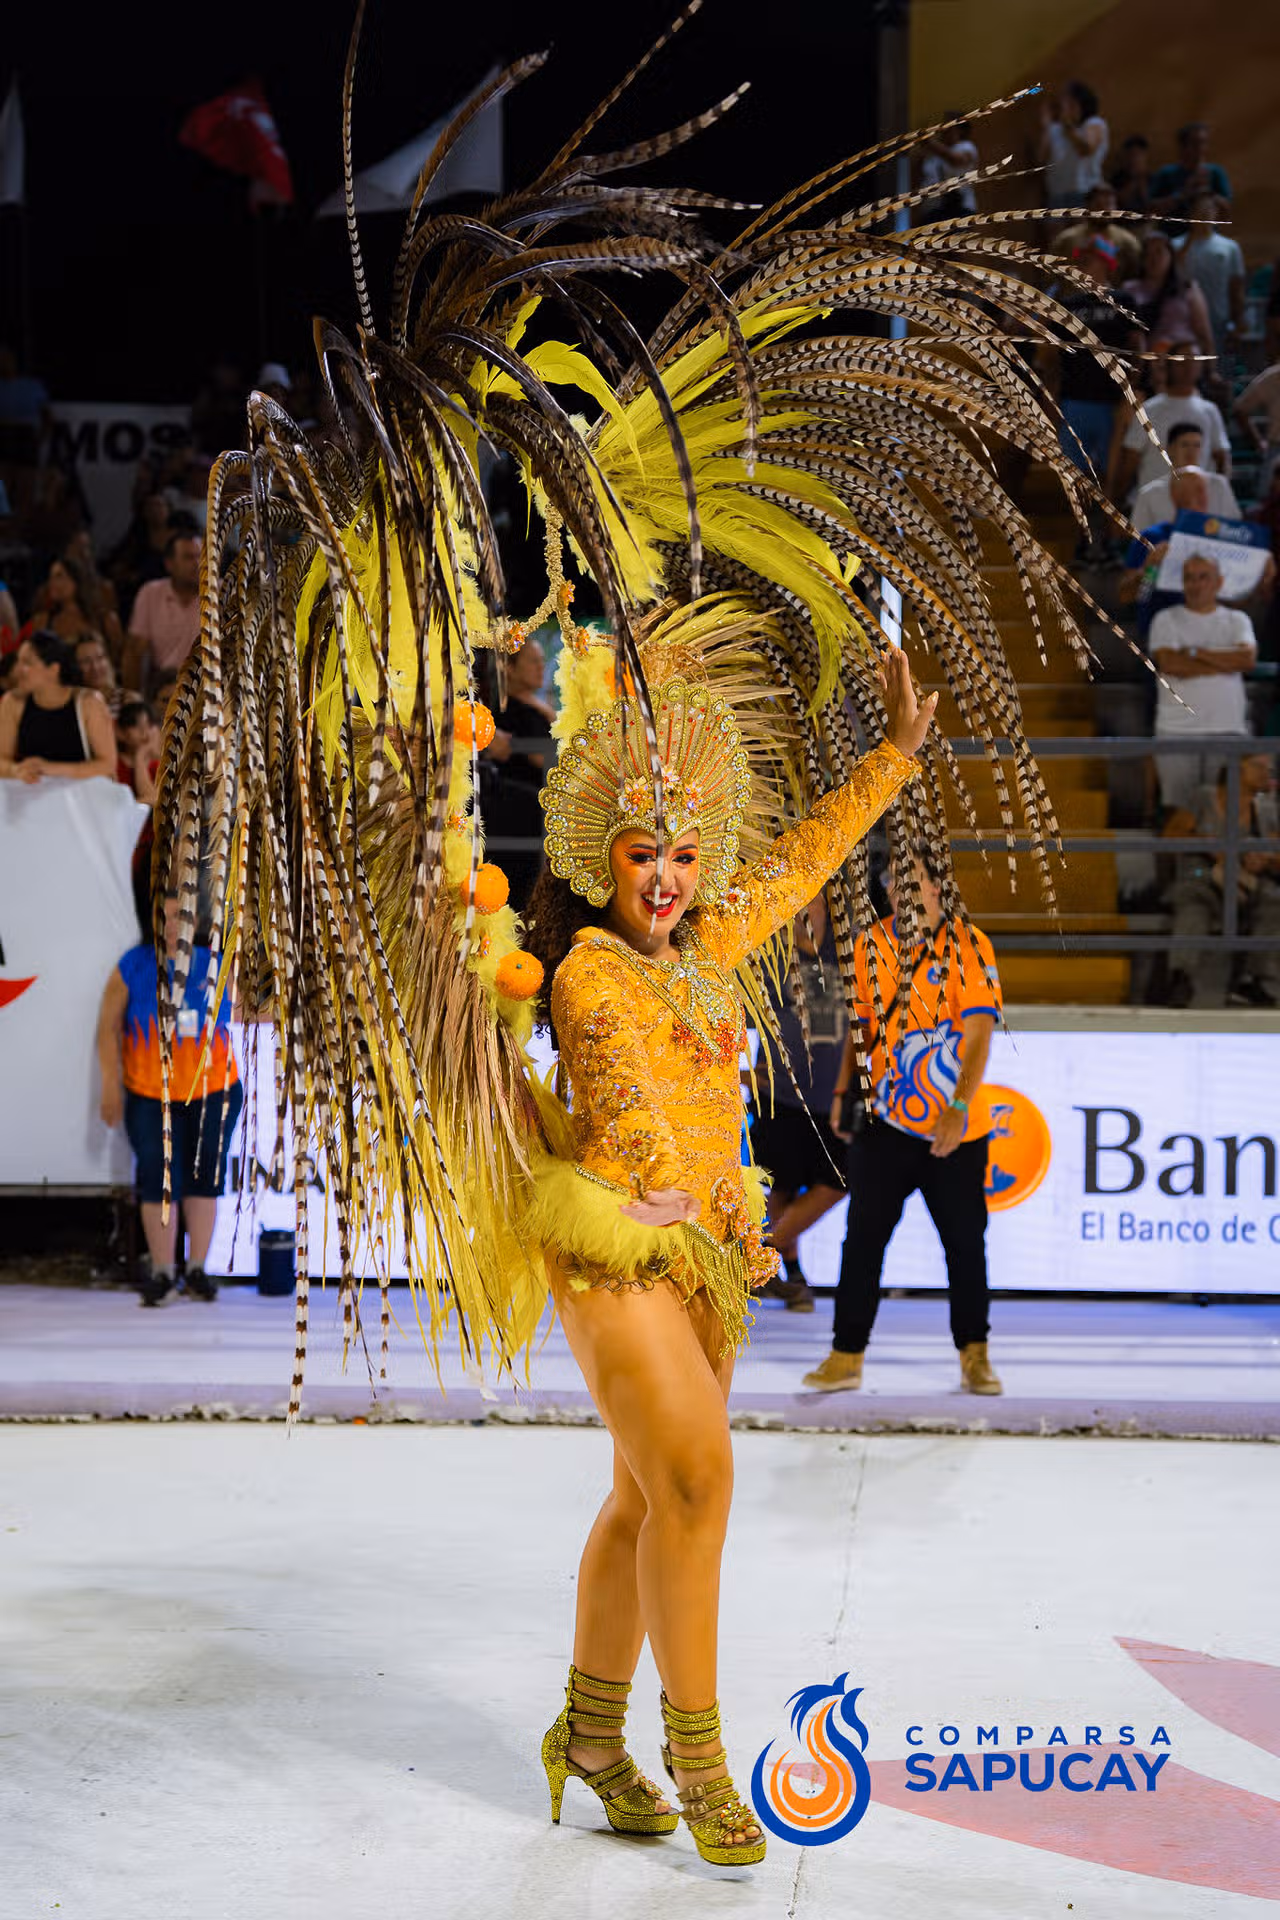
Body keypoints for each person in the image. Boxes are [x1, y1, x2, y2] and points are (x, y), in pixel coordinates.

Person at [521, 643, 931, 1864]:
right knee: (698, 1481)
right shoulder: (588, 970)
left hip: (701, 1249)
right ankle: (696, 1750)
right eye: (645, 854)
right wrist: (652, 1167)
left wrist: (892, 762)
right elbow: (612, 1069)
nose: (665, 877)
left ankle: (586, 1739)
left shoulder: (711, 945)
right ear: (604, 858)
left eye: (684, 856)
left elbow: (805, 857)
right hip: (616, 1233)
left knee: (643, 1496)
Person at [802, 852, 1003, 1397]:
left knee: (965, 1244)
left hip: (956, 1128)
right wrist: (846, 1092)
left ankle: (975, 1357)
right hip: (886, 1121)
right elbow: (863, 1027)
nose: (901, 891)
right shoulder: (870, 945)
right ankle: (846, 1356)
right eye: (894, 882)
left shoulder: (969, 946)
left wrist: (958, 1108)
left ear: (941, 890)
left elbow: (980, 1035)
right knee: (863, 1241)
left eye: (914, 881)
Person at [97, 894, 243, 1306]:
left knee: (205, 1181)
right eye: (165, 915)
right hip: (149, 1093)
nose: (173, 924)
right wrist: (110, 1083)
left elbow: (250, 1007)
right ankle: (163, 1273)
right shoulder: (135, 965)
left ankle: (197, 1269)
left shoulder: (216, 962)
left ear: (194, 919)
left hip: (212, 1090)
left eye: (181, 915)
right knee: (157, 1182)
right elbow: (108, 1026)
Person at [747, 893, 849, 1311]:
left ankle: (759, 1257)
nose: (808, 912)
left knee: (840, 1179)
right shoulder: (769, 954)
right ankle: (794, 1278)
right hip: (779, 1091)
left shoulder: (848, 950)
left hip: (832, 1094)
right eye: (799, 904)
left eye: (816, 902)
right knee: (780, 1185)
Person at [1162, 754, 1280, 1008]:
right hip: (1202, 875)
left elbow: (1276, 851)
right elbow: (1172, 835)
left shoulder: (1266, 809)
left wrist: (1265, 858)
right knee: (1194, 904)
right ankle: (1181, 978)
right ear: (1237, 769)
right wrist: (1212, 846)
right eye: (1258, 766)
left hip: (1243, 882)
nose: (1265, 773)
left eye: (1268, 768)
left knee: (1272, 900)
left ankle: (1251, 979)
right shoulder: (1204, 798)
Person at [1149, 553, 1257, 811]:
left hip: (1227, 728)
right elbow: (1170, 664)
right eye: (1189, 578)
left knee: (1224, 812)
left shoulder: (1237, 620)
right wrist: (1223, 661)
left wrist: (1196, 653)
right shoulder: (1166, 619)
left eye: (1203, 577)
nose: (1196, 584)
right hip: (1177, 731)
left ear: (1218, 583)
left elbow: (1246, 660)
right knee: (1179, 812)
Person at [1120, 467, 1275, 639]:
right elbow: (1128, 597)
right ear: (1174, 496)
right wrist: (1150, 570)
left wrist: (1258, 575)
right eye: (1189, 490)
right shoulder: (1152, 537)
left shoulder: (1223, 540)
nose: (1198, 496)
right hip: (1166, 635)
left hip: (1214, 635)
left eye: (1202, 490)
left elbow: (1236, 600)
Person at [482, 633, 556, 910]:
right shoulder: (505, 713)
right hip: (518, 829)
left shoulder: (534, 710)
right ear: (509, 669)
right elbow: (547, 757)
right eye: (533, 662)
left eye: (542, 661)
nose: (540, 667)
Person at [1116, 342, 1231, 498]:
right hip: (1154, 503)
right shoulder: (1148, 409)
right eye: (1182, 361)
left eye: (1194, 361)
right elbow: (1130, 460)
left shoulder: (1210, 411)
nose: (1189, 367)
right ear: (1170, 365)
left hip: (1197, 505)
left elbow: (1222, 457)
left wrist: (1221, 496)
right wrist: (1117, 496)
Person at [0, 631, 117, 781]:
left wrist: (48, 769)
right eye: (19, 661)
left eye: (27, 663)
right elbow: (2, 760)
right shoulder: (12, 702)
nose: (17, 670)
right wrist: (15, 770)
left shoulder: (89, 703)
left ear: (53, 669)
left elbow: (107, 765)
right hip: (32, 793)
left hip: (84, 794)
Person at [123, 530, 202, 693]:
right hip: (165, 686)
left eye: (201, 556)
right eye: (188, 557)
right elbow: (135, 651)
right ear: (169, 564)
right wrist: (133, 697)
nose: (197, 563)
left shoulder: (224, 592)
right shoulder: (150, 593)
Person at [1121, 231, 1215, 367]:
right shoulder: (1130, 290)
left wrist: (1211, 371)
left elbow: (1204, 334)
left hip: (1183, 362)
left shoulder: (1188, 288)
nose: (1153, 259)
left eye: (1159, 252)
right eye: (1148, 254)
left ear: (1171, 256)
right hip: (1145, 363)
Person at [1178, 195, 1246, 366]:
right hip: (1184, 320)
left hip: (1219, 319)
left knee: (1220, 370)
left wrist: (1238, 321)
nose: (1205, 213)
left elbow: (1236, 287)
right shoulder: (1176, 245)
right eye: (1200, 209)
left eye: (1209, 208)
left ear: (1216, 213)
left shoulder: (1230, 247)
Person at [1131, 441, 1239, 535]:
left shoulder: (1224, 537)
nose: (1194, 499)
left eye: (1200, 491)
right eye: (1185, 494)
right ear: (1174, 498)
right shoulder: (1153, 537)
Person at [1038, 82, 1108, 214]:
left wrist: (1068, 126)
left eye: (1070, 103)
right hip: (1056, 194)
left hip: (1085, 192)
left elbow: (1086, 150)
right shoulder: (1055, 129)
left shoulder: (1094, 124)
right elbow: (1041, 158)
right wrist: (1047, 126)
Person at [1052, 183, 1140, 282]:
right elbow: (1052, 277)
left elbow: (1134, 277)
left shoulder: (1127, 241)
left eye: (1108, 205)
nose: (1104, 211)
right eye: (1098, 205)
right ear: (1088, 207)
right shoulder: (1066, 239)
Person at [1150, 123, 1232, 228]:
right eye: (1195, 144)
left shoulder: (1215, 172)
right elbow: (1152, 210)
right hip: (1171, 236)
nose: (1201, 148)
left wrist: (1207, 192)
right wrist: (1183, 194)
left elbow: (1226, 210)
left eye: (1204, 143)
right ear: (1183, 147)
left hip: (1204, 237)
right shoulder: (1167, 173)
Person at [1233, 354, 1280, 497]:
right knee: (1268, 508)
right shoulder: (1274, 376)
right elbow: (1240, 409)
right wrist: (1258, 442)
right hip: (1277, 450)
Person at [919, 117, 979, 220]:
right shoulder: (934, 153)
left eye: (950, 128)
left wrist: (930, 142)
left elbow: (956, 160)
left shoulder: (966, 147)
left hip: (959, 207)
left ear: (960, 131)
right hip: (933, 207)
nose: (944, 131)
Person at [74, 633, 140, 724]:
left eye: (100, 658)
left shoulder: (128, 699)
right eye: (86, 661)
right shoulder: (75, 705)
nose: (95, 667)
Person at [115, 698, 162, 803]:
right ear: (120, 732)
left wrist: (139, 757)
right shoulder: (113, 764)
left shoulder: (158, 766)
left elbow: (154, 802)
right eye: (136, 725)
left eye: (149, 725)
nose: (144, 732)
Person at [1109, 133, 1152, 217]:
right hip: (1123, 222)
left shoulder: (1151, 177)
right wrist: (1135, 180)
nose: (1134, 159)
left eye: (1138, 155)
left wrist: (1141, 181)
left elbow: (1150, 206)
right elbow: (1119, 202)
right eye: (1131, 155)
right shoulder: (1117, 177)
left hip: (1144, 224)